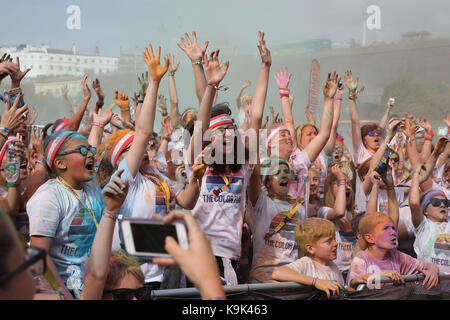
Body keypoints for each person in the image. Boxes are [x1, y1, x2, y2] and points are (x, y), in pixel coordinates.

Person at [183, 32, 269, 285]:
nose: (228, 134)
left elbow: (257, 115)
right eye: (220, 131)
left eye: (230, 129)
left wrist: (266, 67)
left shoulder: (244, 163)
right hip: (200, 250)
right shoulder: (199, 159)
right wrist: (210, 84)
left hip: (230, 253)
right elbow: (201, 119)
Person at [27, 130, 104, 299]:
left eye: (91, 150)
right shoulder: (48, 196)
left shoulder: (95, 193)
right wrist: (64, 296)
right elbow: (39, 256)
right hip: (60, 291)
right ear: (60, 163)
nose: (90, 154)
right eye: (82, 151)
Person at [247, 157, 306, 283]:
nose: (283, 175)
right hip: (262, 281)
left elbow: (301, 249)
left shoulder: (299, 209)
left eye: (286, 171)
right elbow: (254, 175)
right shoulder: (261, 203)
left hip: (291, 279)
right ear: (267, 182)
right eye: (277, 173)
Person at [347, 212, 440, 290]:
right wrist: (380, 275)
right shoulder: (361, 258)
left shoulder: (397, 256)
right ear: (370, 238)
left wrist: (433, 271)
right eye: (385, 228)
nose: (393, 232)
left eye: (393, 228)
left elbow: (428, 266)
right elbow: (351, 290)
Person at [271, 218, 344, 299]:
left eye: (335, 239)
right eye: (329, 241)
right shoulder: (306, 263)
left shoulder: (334, 267)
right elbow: (278, 273)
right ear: (310, 249)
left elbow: (341, 292)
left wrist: (353, 285)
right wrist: (315, 282)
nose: (336, 243)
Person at [317, 164, 358, 274]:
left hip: (354, 271)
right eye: (341, 184)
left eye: (349, 184)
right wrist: (341, 179)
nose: (346, 187)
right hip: (335, 271)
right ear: (329, 189)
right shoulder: (324, 211)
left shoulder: (355, 214)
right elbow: (339, 212)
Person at [409, 165, 450, 274]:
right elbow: (414, 203)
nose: (442, 205)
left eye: (446, 203)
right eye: (436, 202)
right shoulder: (423, 225)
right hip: (427, 283)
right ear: (425, 210)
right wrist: (416, 176)